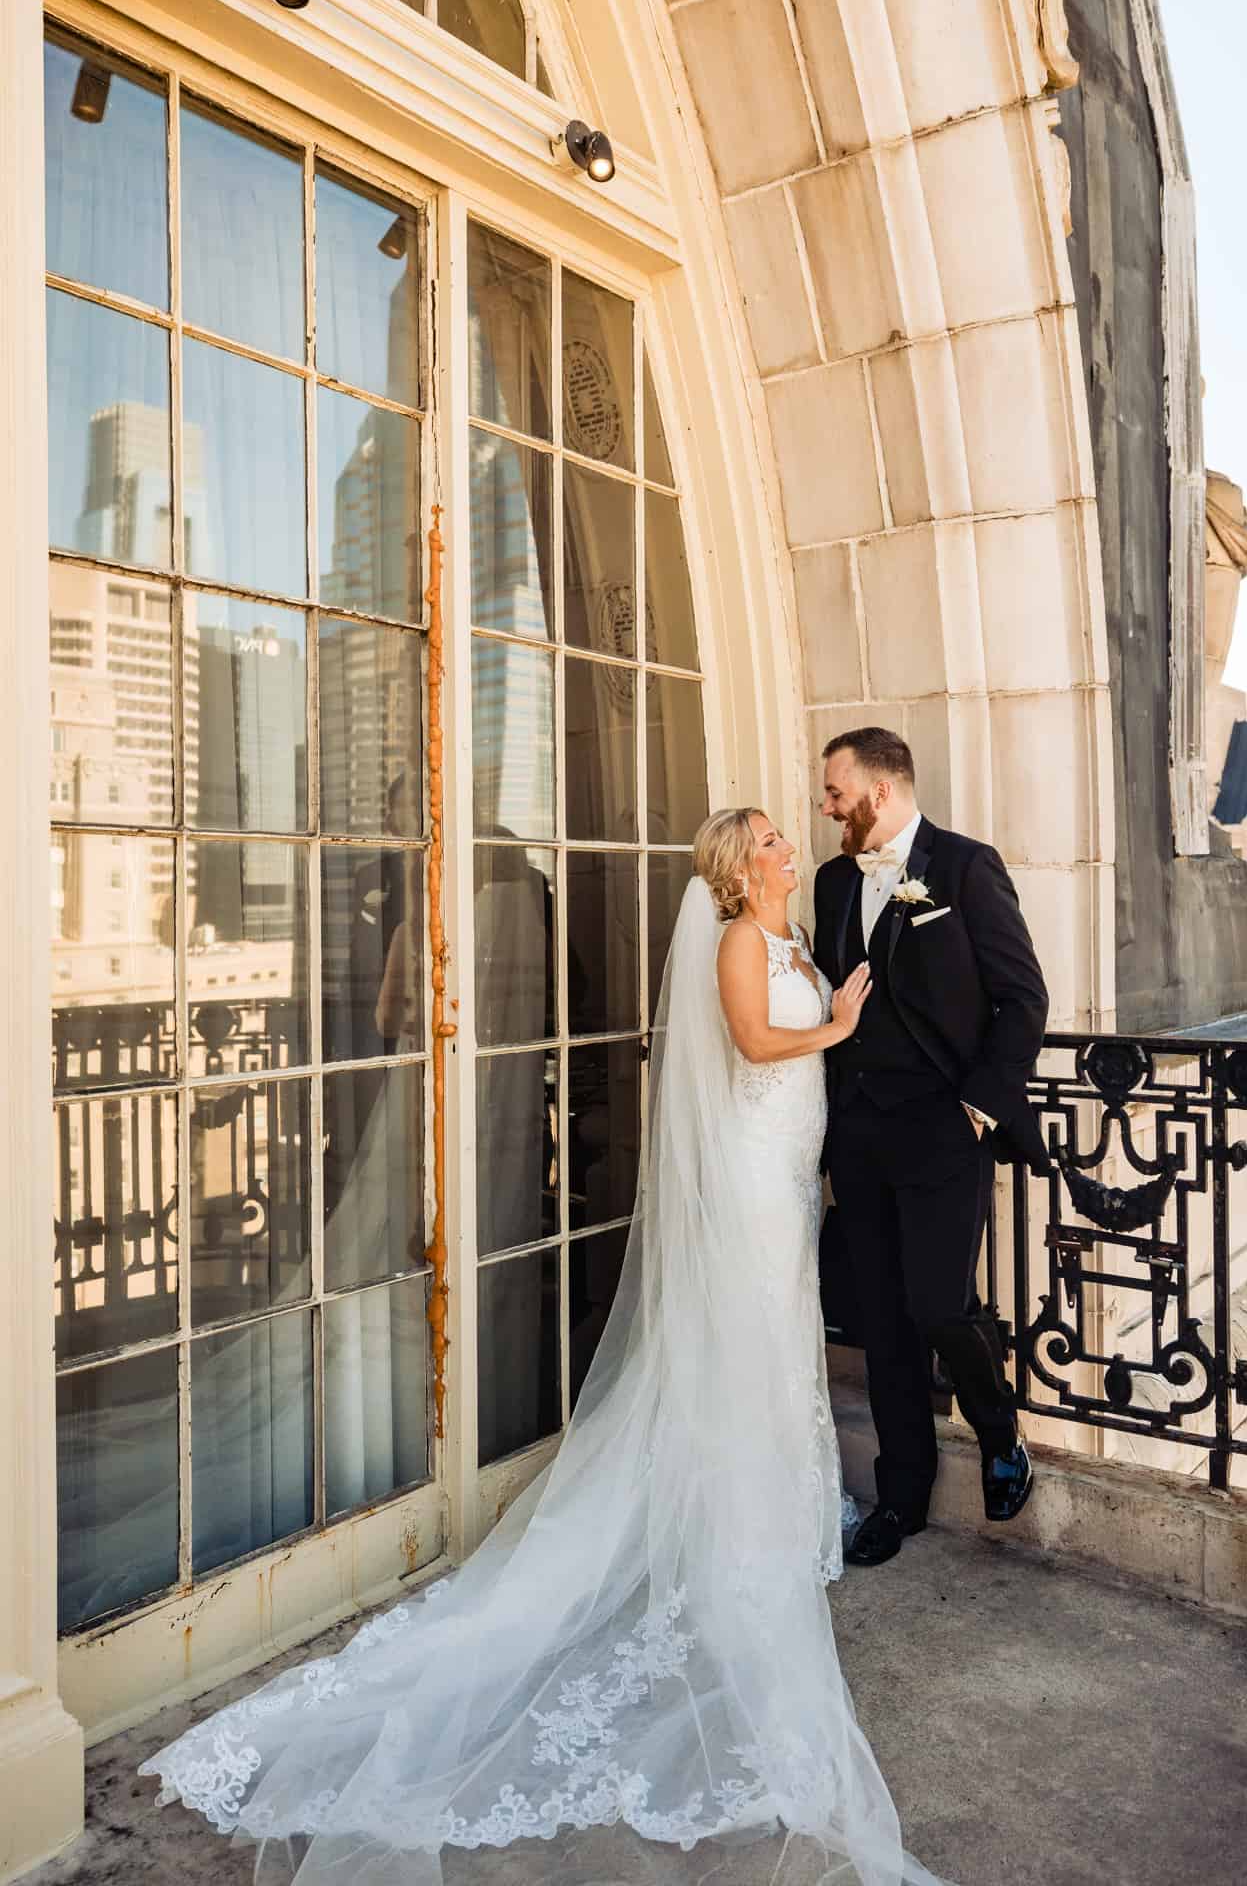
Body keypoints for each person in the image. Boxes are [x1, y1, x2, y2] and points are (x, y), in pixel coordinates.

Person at [141, 808, 948, 1886]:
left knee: (779, 1335)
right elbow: (756, 1045)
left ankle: (782, 1504)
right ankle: (730, 1525)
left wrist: (836, 1017)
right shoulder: (738, 942)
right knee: (748, 1335)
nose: (785, 846)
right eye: (767, 839)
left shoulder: (790, 935)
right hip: (755, 1176)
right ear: (735, 863)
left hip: (791, 1172)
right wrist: (835, 1029)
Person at [813, 728, 1050, 1568]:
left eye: (836, 791)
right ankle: (901, 1498)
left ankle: (998, 1428)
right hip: (863, 1135)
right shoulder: (834, 880)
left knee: (938, 1305)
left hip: (949, 1131)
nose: (827, 806)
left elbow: (1023, 1000)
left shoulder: (964, 866)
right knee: (884, 1322)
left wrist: (980, 1112)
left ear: (882, 789)